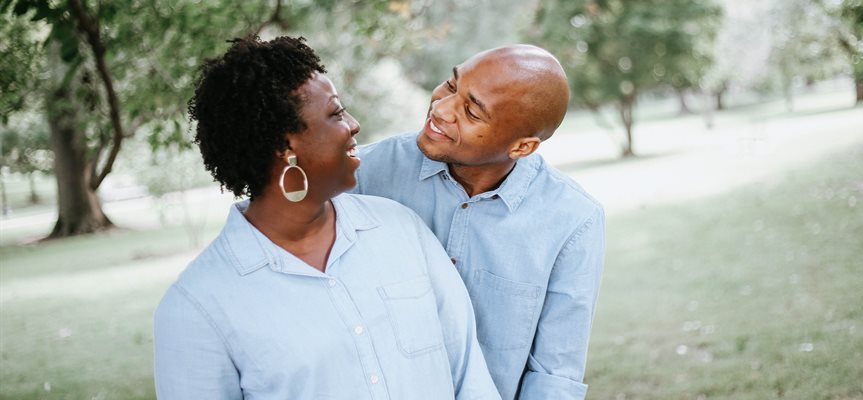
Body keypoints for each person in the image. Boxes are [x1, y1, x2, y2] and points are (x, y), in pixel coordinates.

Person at [153, 36, 500, 400]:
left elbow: (468, 374)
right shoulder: (196, 308)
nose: (353, 125)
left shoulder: (401, 228)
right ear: (285, 145)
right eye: (335, 113)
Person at [353, 45, 605, 399]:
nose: (440, 109)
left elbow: (554, 375)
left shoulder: (574, 221)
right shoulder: (362, 176)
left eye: (471, 111)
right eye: (450, 85)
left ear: (522, 147)